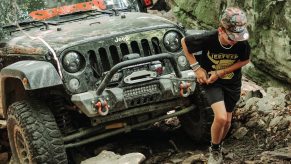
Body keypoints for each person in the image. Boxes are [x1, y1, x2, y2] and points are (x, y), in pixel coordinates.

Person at [181, 7, 251, 164]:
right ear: (221, 30)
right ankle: (214, 150)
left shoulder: (241, 42)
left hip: (231, 83)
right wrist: (197, 69)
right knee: (220, 117)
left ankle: (218, 145)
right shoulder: (209, 38)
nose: (235, 41)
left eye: (237, 37)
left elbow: (245, 60)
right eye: (231, 37)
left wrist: (220, 72)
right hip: (211, 82)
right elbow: (184, 42)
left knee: (227, 121)